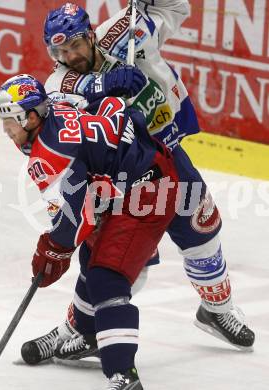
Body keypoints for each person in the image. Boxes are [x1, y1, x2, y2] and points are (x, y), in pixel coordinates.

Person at [21, 0, 255, 366]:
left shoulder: (125, 29)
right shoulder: (57, 84)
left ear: (90, 36)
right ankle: (80, 330)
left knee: (202, 229)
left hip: (167, 152)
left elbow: (175, 10)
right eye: (59, 50)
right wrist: (104, 84)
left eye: (75, 46)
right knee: (119, 263)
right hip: (120, 180)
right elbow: (68, 108)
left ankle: (216, 309)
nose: (68, 55)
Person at [0, 73, 180, 389]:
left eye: (11, 121)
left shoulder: (49, 154)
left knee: (108, 277)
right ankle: (84, 330)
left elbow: (73, 220)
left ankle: (123, 375)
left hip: (149, 191)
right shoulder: (60, 109)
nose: (7, 130)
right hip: (134, 176)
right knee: (92, 257)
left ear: (34, 117)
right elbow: (101, 104)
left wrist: (53, 248)